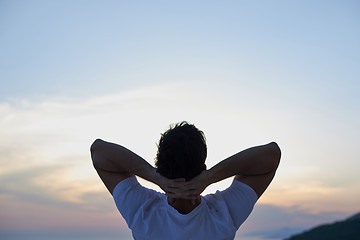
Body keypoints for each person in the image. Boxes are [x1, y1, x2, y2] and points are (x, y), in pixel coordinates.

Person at [90, 121, 281, 240]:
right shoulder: (223, 215)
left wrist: (154, 176)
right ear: (202, 168)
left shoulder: (143, 213)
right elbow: (271, 155)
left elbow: (99, 151)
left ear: (162, 167)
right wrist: (210, 177)